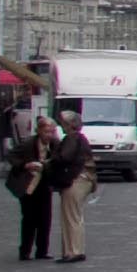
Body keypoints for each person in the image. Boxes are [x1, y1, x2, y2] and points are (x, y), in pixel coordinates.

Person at [44, 110, 93, 263]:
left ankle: (73, 251)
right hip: (83, 179)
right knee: (74, 216)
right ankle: (74, 250)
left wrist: (50, 159)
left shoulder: (72, 139)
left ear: (70, 125)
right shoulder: (80, 138)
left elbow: (64, 157)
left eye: (64, 123)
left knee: (70, 216)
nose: (61, 126)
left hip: (75, 180)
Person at [3, 109, 51, 263]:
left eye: (51, 132)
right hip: (27, 185)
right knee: (29, 218)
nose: (49, 135)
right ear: (39, 131)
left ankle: (42, 251)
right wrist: (25, 165)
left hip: (44, 185)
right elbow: (11, 156)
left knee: (45, 219)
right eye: (46, 132)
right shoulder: (28, 144)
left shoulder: (54, 144)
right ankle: (25, 251)